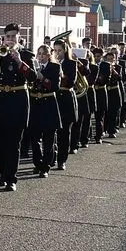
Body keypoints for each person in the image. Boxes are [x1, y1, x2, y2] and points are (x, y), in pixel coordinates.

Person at [0, 23, 34, 192]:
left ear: (18, 37)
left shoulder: (26, 54)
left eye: (13, 36)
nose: (10, 39)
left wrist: (19, 60)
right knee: (0, 143)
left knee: (14, 143)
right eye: (7, 36)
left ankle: (11, 178)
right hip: (0, 99)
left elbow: (31, 77)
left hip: (17, 101)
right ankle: (2, 175)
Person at [28, 44, 62, 178]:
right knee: (34, 138)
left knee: (48, 139)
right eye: (39, 53)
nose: (41, 56)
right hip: (35, 103)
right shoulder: (33, 66)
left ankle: (46, 166)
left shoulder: (55, 67)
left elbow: (55, 87)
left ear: (49, 55)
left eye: (43, 54)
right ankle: (37, 163)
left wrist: (43, 78)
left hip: (48, 104)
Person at [52, 38, 78, 171]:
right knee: (51, 131)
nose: (57, 53)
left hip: (66, 97)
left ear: (65, 50)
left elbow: (71, 82)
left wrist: (61, 74)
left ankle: (62, 160)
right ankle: (50, 158)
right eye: (55, 50)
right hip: (54, 98)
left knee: (64, 132)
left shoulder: (71, 63)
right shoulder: (51, 62)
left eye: (60, 50)